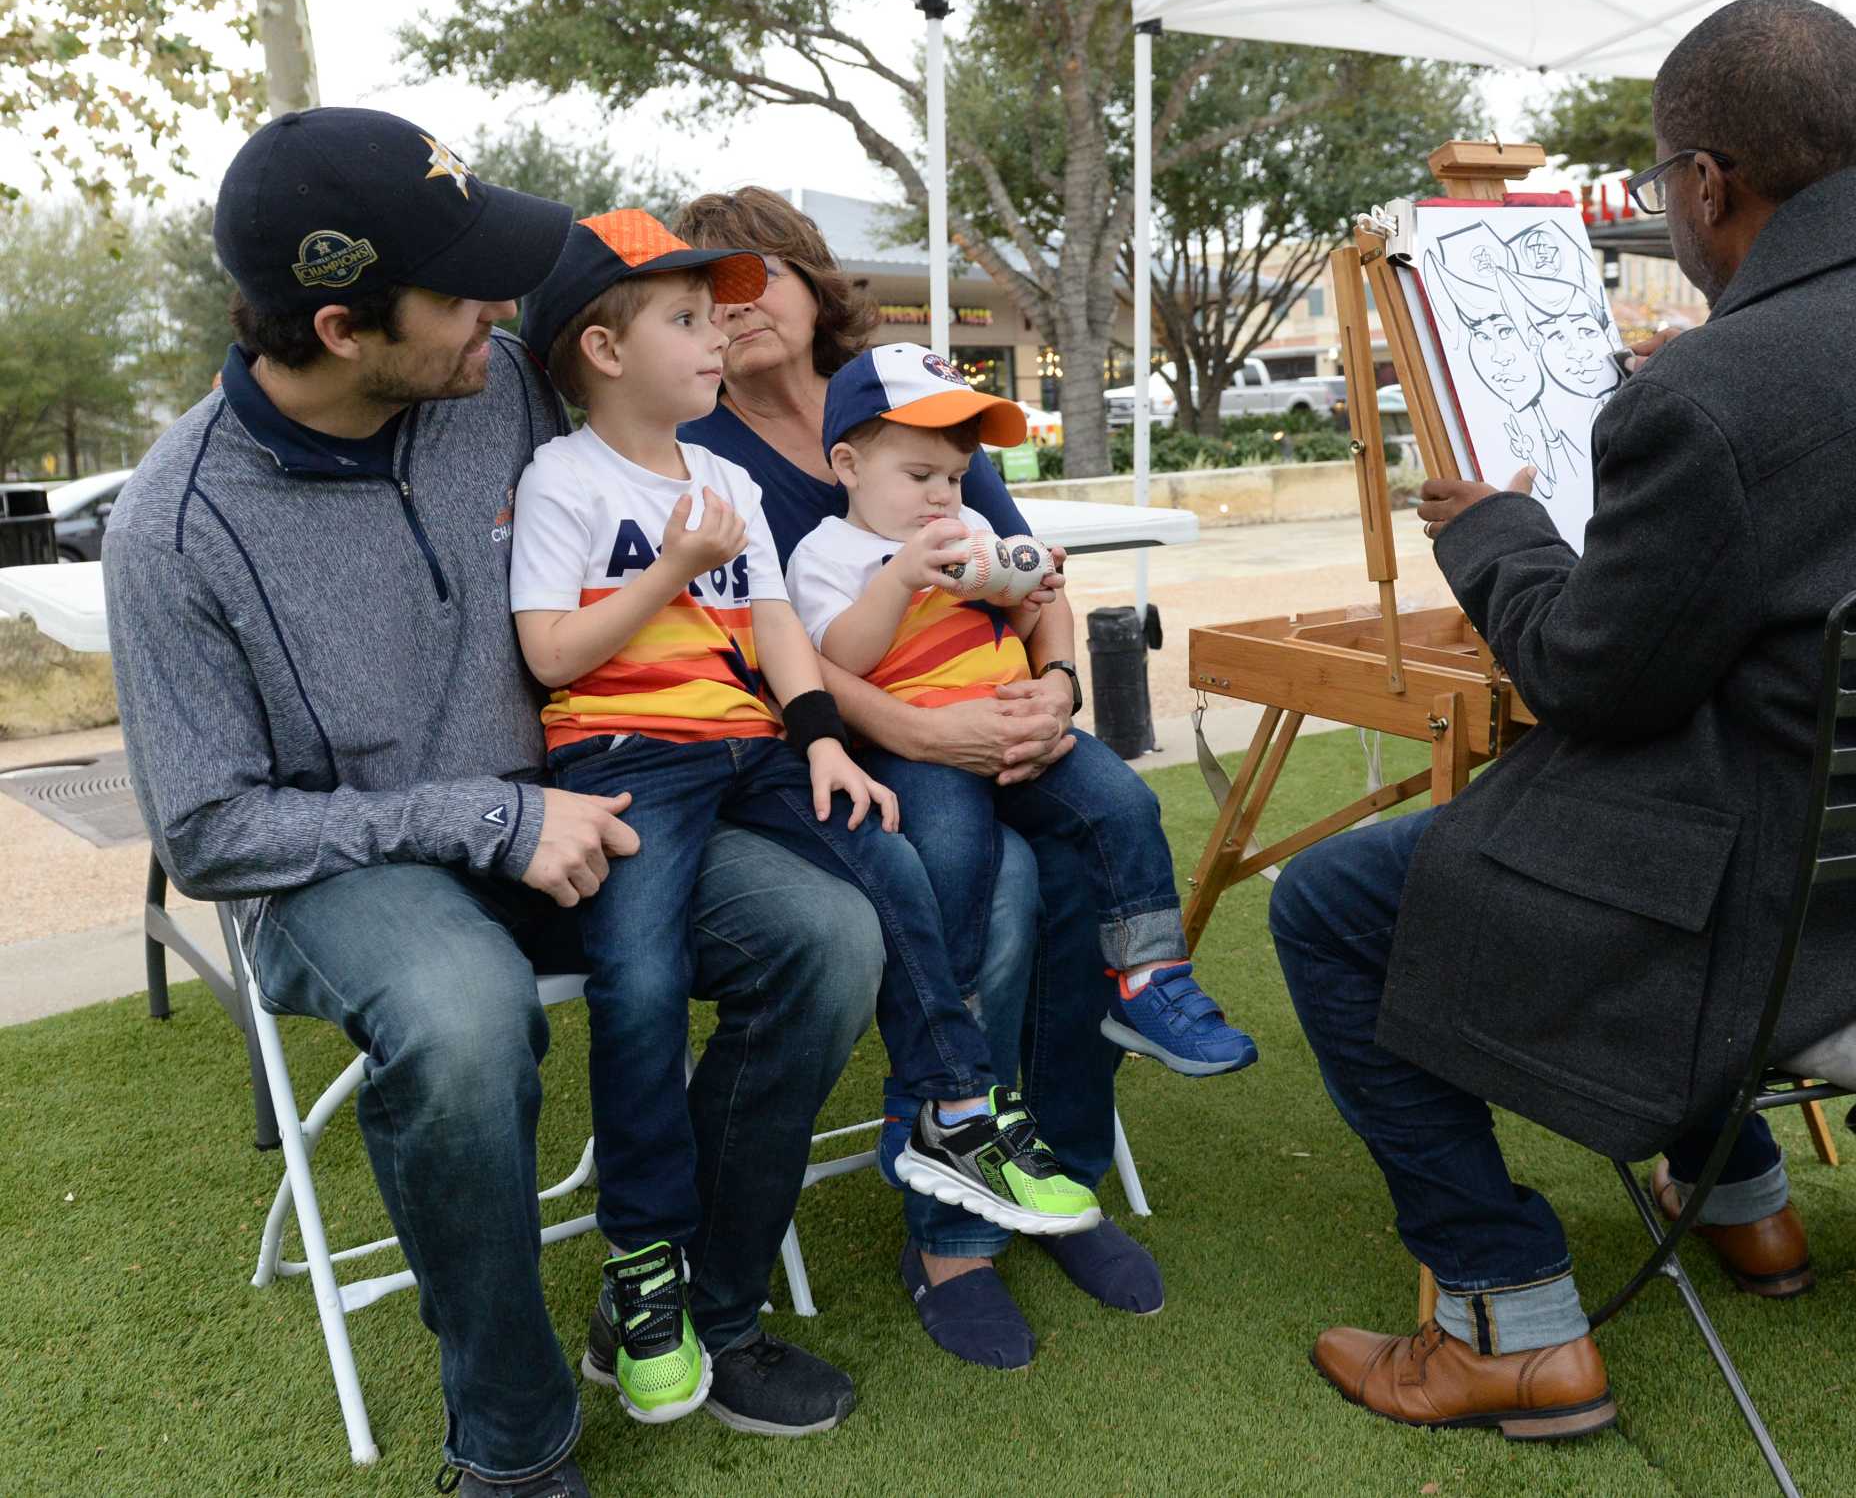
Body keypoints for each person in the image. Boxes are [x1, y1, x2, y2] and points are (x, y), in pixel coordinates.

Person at [1272, 0, 1856, 1439]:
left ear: (1708, 183)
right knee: (1650, 817)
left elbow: (1589, 679)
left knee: (1328, 905)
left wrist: (1501, 531)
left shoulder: (1712, 394)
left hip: (1801, 918)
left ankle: (1509, 1319)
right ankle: (1747, 1199)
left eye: (1662, 185)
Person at [103, 113, 880, 1498]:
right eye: (462, 295)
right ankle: (513, 1443)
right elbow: (211, 832)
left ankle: (692, 1299)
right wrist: (488, 820)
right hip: (349, 871)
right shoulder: (175, 528)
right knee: (465, 1018)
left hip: (591, 809)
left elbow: (683, 466)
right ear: (343, 326)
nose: (503, 316)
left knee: (829, 938)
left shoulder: (507, 382)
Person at [509, 212, 1100, 1424]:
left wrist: (824, 735)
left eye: (720, 304)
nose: (716, 328)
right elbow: (548, 650)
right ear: (606, 351)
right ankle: (644, 1266)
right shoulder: (562, 477)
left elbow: (776, 625)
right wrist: (672, 575)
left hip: (752, 743)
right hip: (626, 761)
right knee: (636, 985)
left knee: (885, 852)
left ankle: (951, 1105)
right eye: (685, 317)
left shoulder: (721, 478)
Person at [672, 187, 1165, 1371]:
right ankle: (952, 1237)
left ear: (806, 274)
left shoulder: (920, 409)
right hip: (835, 755)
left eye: (754, 277)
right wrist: (918, 727)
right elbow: (757, 652)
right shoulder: (703, 457)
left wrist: (1055, 688)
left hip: (989, 722)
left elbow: (1028, 579)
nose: (733, 312)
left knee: (1082, 879)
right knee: (994, 887)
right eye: (702, 299)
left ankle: (1065, 1173)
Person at [786, 340, 1256, 1079]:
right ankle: (948, 1042)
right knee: (950, 850)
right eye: (919, 476)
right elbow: (839, 658)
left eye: (953, 475)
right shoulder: (826, 554)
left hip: (1020, 722)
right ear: (848, 466)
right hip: (916, 748)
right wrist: (901, 579)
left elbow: (1032, 609)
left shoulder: (971, 526)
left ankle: (1150, 979)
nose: (943, 495)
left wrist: (1037, 591)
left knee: (1125, 802)